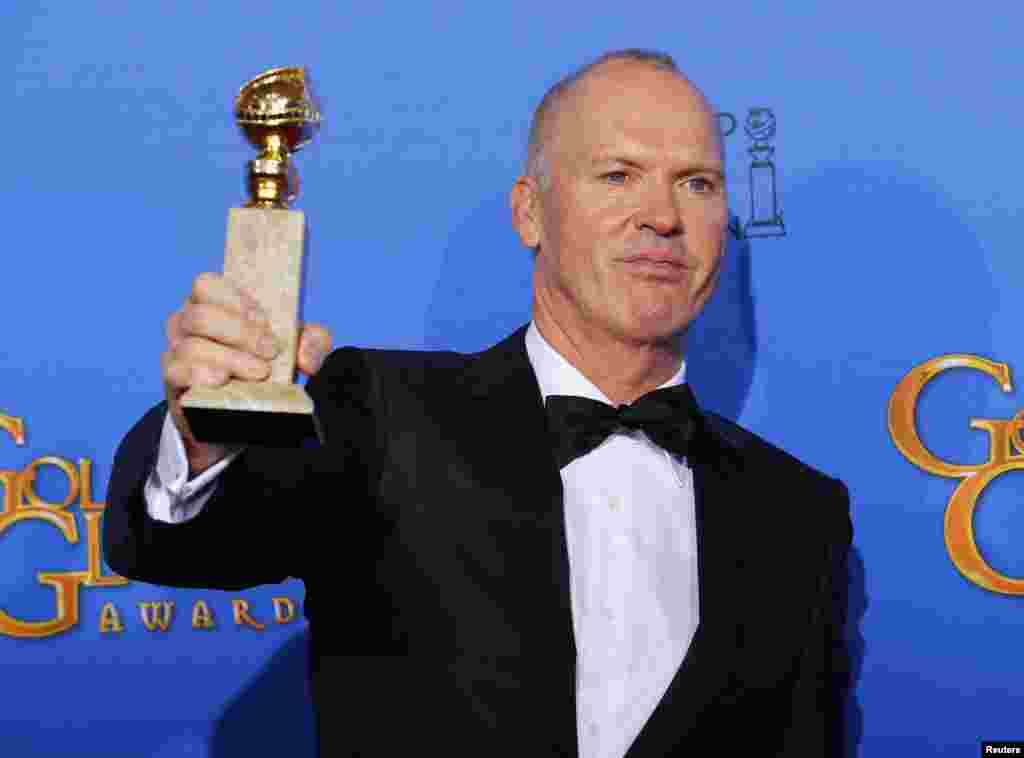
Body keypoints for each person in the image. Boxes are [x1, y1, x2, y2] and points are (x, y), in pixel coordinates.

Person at [104, 49, 853, 757]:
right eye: (619, 175)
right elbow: (185, 545)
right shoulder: (382, 413)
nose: (662, 214)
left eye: (698, 182)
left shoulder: (798, 514)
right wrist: (204, 436)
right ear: (530, 212)